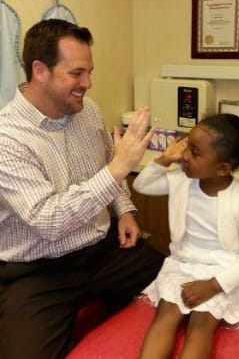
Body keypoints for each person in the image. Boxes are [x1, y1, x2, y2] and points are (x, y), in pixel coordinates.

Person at [0, 19, 164, 359]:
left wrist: (126, 211)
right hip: (39, 270)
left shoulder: (87, 111)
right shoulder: (7, 139)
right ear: (40, 70)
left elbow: (104, 169)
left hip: (101, 251)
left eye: (89, 71)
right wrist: (121, 166)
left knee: (179, 280)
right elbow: (50, 222)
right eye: (77, 73)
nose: (87, 83)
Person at [133, 113, 239, 359]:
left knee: (201, 325)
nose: (184, 156)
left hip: (223, 271)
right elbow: (141, 186)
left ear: (222, 168)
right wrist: (165, 159)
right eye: (187, 145)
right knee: (165, 316)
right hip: (184, 263)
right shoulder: (180, 180)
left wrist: (211, 286)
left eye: (194, 153)